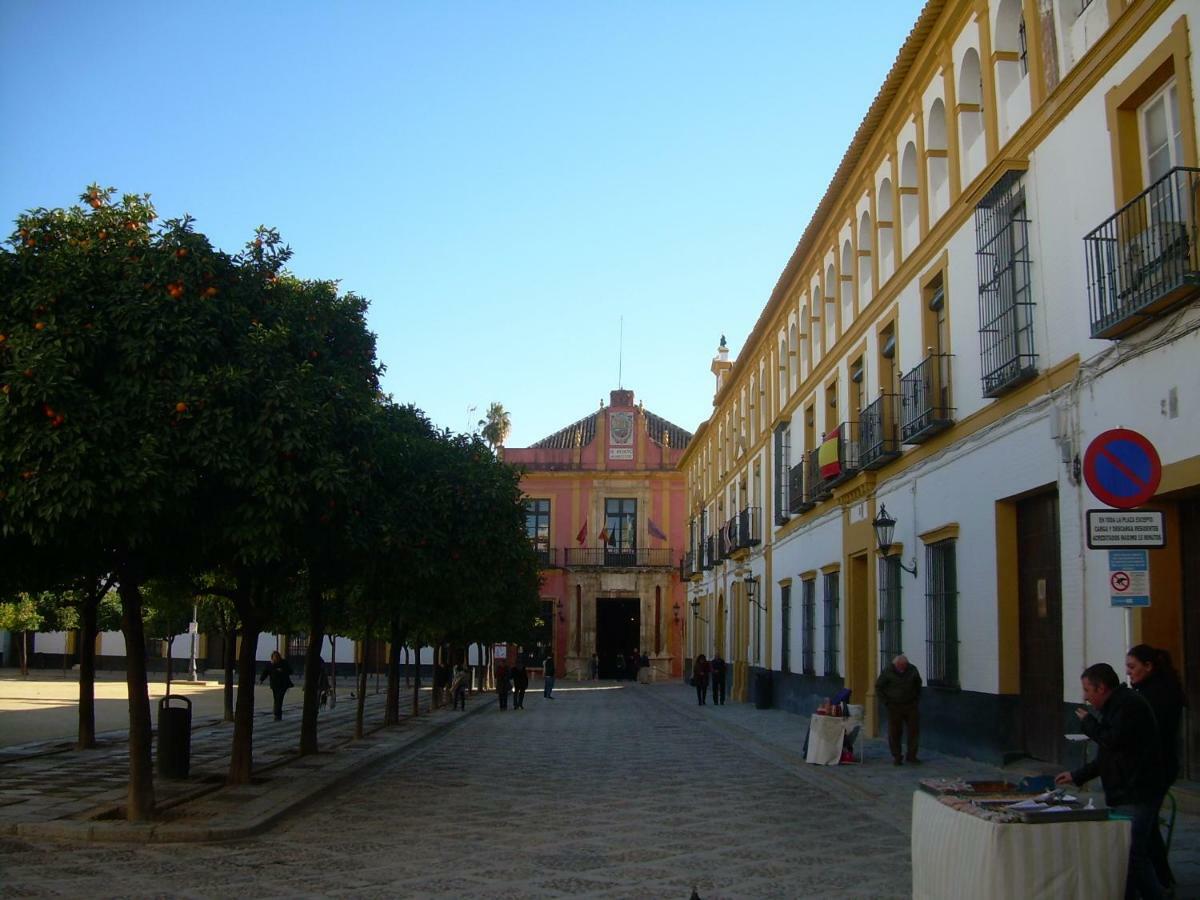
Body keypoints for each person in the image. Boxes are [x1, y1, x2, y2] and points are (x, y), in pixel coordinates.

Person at [1056, 662, 1165, 900]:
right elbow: (1106, 756)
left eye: (1087, 690)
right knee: (1127, 851)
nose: (1085, 697)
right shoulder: (1116, 706)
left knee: (1133, 852)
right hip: (1127, 788)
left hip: (1138, 789)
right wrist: (1077, 775)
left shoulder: (1128, 706)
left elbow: (1112, 741)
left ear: (1102, 688)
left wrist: (1089, 724)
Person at [1127, 644, 1186, 893]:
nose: (1129, 673)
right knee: (1148, 828)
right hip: (1157, 767)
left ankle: (1157, 884)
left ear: (1148, 667)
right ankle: (1163, 879)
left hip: (1155, 769)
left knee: (1142, 831)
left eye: (1132, 667)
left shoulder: (1156, 695)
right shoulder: (1152, 691)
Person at [875, 654, 921, 765]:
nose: (902, 668)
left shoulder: (912, 670)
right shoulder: (888, 671)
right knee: (895, 732)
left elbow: (918, 683)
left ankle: (912, 755)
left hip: (910, 705)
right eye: (900, 666)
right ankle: (897, 756)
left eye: (904, 665)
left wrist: (916, 698)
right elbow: (879, 687)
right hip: (894, 706)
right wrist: (886, 702)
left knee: (913, 731)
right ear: (895, 664)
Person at [259, 650, 293, 721]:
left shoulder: (283, 663)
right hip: (274, 685)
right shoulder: (270, 664)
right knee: (276, 698)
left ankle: (277, 714)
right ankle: (277, 712)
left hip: (283, 684)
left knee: (279, 699)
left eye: (277, 657)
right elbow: (265, 672)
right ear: (272, 658)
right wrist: (261, 680)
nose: (276, 659)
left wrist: (283, 670)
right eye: (274, 658)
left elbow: (290, 671)